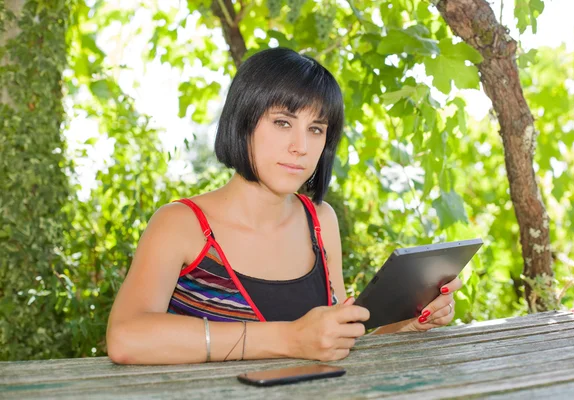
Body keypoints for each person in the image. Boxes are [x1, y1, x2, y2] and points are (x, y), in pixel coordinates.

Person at [106, 47, 461, 365]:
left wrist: (406, 326)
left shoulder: (321, 221)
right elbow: (125, 338)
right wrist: (290, 338)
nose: (300, 146)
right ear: (242, 122)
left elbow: (329, 348)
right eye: (282, 122)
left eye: (316, 129)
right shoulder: (180, 224)